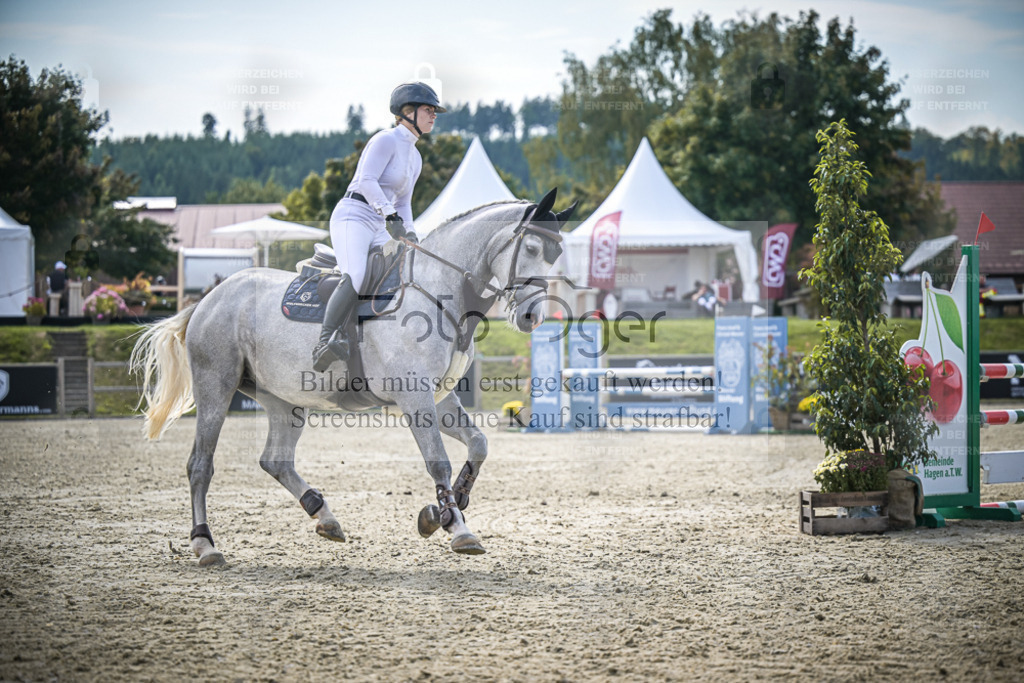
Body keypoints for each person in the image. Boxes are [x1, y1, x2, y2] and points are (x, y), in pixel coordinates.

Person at [312, 82, 444, 371]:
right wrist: (388, 215)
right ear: (407, 112)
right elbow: (366, 182)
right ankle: (324, 340)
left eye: (435, 111)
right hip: (354, 215)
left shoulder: (416, 157)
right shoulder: (385, 140)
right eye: (429, 110)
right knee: (357, 274)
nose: (434, 115)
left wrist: (410, 234)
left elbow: (405, 203)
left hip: (381, 221)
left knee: (404, 271)